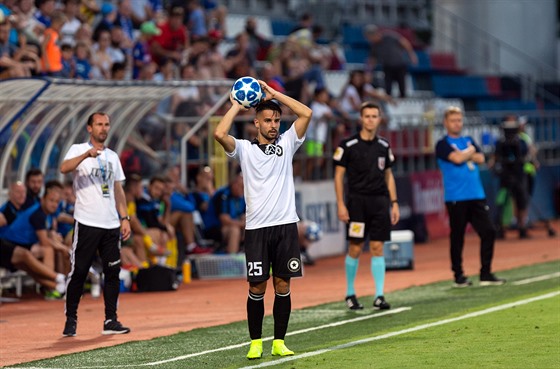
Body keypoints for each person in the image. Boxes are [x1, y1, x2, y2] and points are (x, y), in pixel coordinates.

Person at [214, 80, 312, 359]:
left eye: (277, 120)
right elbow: (219, 132)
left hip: (285, 226)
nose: (273, 125)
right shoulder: (244, 149)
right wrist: (236, 105)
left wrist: (274, 94)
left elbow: (306, 113)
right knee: (257, 286)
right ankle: (255, 342)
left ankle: (279, 341)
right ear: (256, 123)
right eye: (267, 120)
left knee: (283, 285)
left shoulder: (288, 143)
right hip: (257, 228)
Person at [60, 111, 131, 337]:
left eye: (107, 124)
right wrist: (85, 156)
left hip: (111, 223)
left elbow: (118, 189)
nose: (104, 128)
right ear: (89, 128)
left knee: (112, 271)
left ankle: (111, 319)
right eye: (99, 124)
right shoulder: (78, 149)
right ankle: (71, 318)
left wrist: (124, 217)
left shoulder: (113, 157)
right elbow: (64, 168)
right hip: (87, 220)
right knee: (79, 270)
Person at [333, 101, 399, 311]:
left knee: (378, 247)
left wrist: (394, 203)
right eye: (367, 116)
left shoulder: (384, 146)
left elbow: (389, 175)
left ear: (380, 119)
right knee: (355, 246)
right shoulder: (348, 145)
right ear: (361, 119)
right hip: (357, 203)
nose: (371, 119)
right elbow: (338, 177)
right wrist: (341, 205)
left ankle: (379, 295)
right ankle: (350, 293)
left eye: (374, 116)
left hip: (380, 202)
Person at [435, 106, 505, 287]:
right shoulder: (442, 144)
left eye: (459, 120)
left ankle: (486, 272)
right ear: (446, 123)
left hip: (476, 194)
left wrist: (465, 154)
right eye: (453, 120)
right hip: (456, 197)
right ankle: (458, 275)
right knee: (457, 236)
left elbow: (481, 159)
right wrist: (469, 153)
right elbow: (457, 159)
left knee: (489, 230)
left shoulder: (468, 139)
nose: (457, 123)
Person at [363, 24, 417, 98]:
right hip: (387, 67)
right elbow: (372, 59)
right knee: (388, 88)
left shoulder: (389, 36)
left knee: (402, 86)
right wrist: (368, 71)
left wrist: (412, 55)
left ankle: (402, 99)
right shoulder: (374, 46)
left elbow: (404, 43)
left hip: (399, 64)